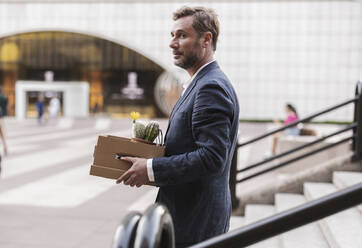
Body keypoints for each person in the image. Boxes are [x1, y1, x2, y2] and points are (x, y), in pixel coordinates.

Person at [116, 6, 239, 247]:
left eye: (182, 35)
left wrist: (151, 168)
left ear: (206, 39)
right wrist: (148, 152)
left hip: (194, 223)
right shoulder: (201, 83)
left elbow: (212, 158)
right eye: (172, 36)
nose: (173, 43)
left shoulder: (210, 87)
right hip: (188, 217)